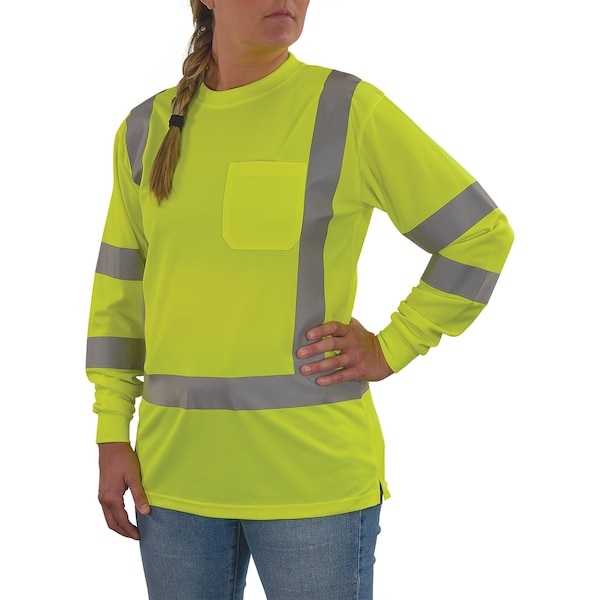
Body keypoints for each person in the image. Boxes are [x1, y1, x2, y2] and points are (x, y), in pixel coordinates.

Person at [86, 1, 514, 598]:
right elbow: (119, 291)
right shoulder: (144, 129)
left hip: (312, 483)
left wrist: (395, 344)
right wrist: (111, 430)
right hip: (172, 483)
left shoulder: (346, 110)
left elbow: (480, 235)